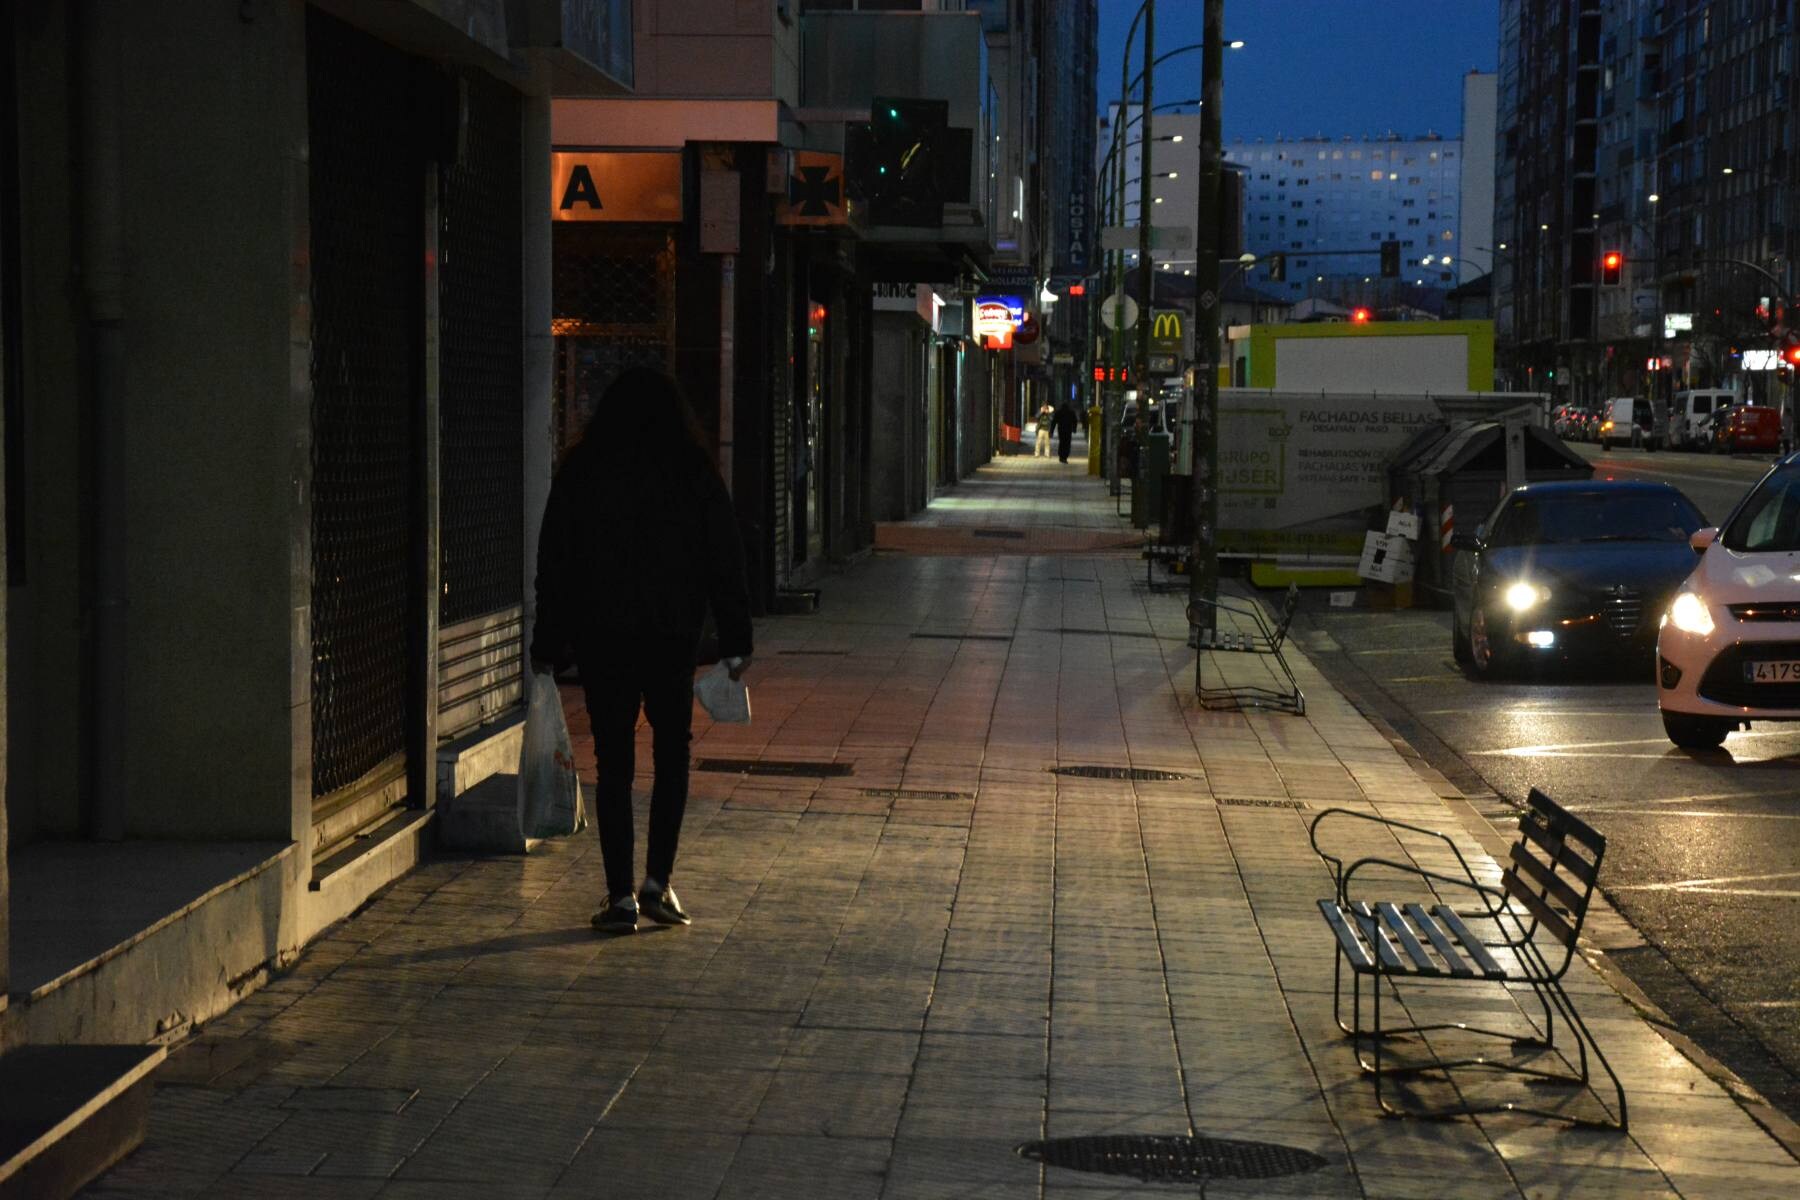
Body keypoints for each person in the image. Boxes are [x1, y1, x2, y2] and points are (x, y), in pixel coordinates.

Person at [530, 367, 753, 935]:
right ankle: (657, 882)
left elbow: (556, 559)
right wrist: (735, 640)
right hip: (670, 636)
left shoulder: (584, 470)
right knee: (672, 753)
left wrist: (548, 644)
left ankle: (618, 895)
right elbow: (724, 557)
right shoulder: (692, 470)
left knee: (613, 762)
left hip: (603, 636)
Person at [1054, 399, 1081, 463]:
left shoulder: (1059, 412)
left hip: (1061, 430)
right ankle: (1065, 457)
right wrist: (1074, 429)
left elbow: (1054, 421)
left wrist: (1051, 431)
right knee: (1067, 444)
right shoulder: (1071, 412)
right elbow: (1075, 421)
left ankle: (1061, 456)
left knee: (1061, 443)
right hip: (1068, 430)